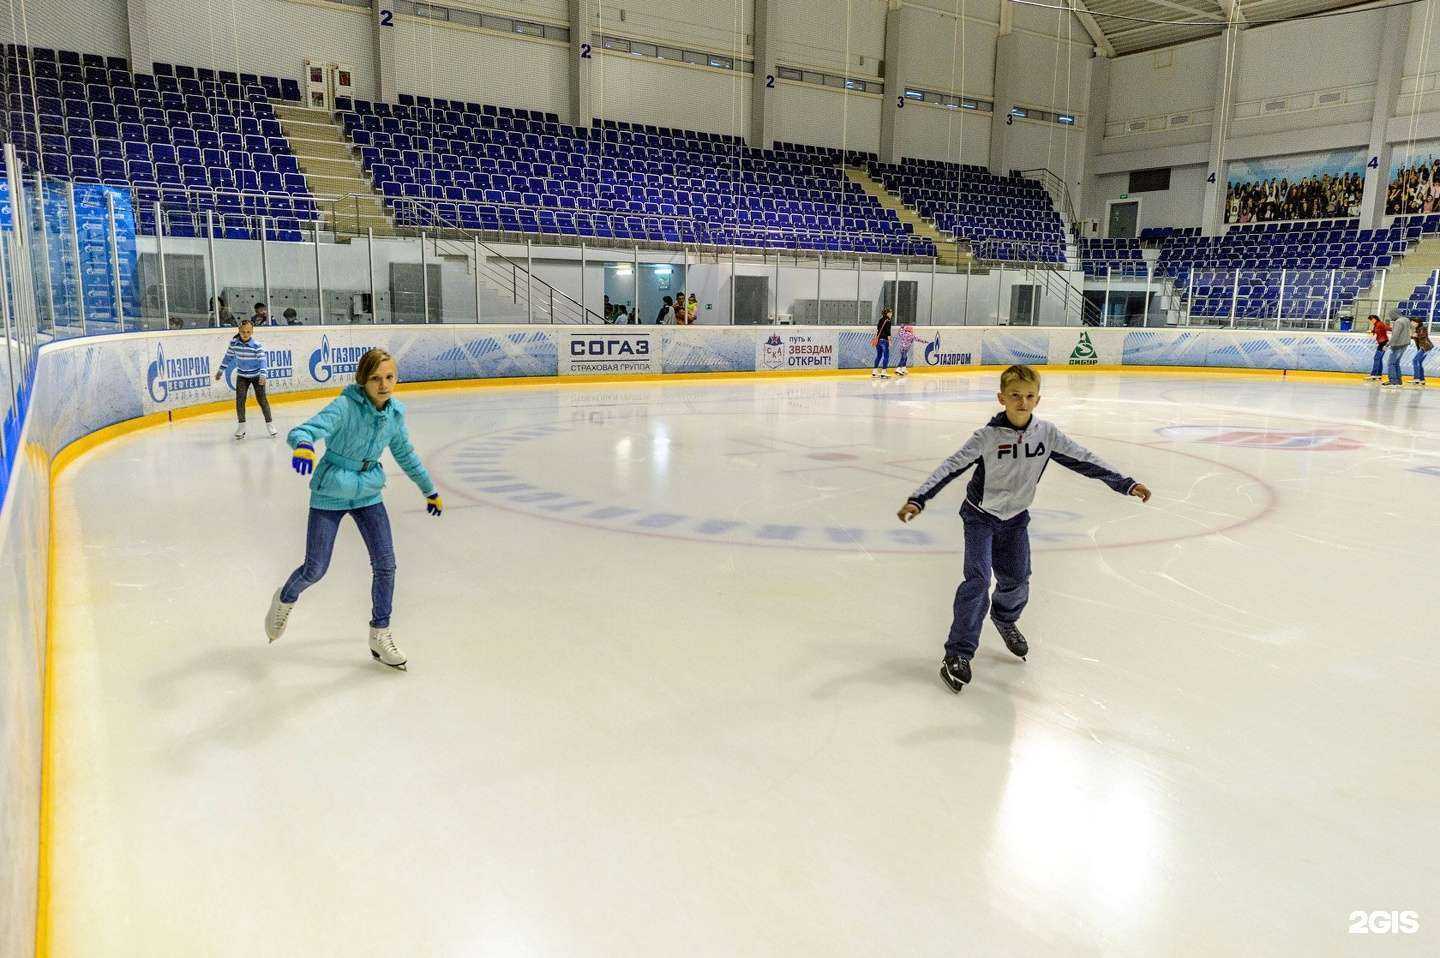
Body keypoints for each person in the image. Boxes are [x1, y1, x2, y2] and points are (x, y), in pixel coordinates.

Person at [897, 364, 1152, 693]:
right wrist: (918, 499)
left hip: (1016, 519)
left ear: (1038, 400)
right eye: (1015, 395)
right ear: (1001, 397)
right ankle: (957, 654)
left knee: (1017, 581)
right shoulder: (986, 437)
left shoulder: (1046, 435)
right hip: (980, 517)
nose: (1022, 401)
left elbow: (1085, 459)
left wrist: (1126, 483)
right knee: (977, 581)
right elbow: (951, 466)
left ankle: (1004, 618)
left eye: (1029, 396)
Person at [264, 348, 442, 670]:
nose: (384, 385)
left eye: (389, 377)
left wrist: (429, 489)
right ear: (363, 380)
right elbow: (303, 431)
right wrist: (303, 446)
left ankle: (380, 633)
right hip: (331, 491)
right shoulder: (345, 406)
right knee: (315, 569)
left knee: (386, 564)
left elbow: (406, 455)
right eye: (376, 378)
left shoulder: (394, 416)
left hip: (368, 492)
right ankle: (285, 599)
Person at [213, 318, 276, 439]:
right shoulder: (234, 344)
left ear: (252, 332)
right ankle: (241, 426)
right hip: (242, 376)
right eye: (243, 332)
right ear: (239, 331)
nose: (245, 334)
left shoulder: (256, 345)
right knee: (240, 400)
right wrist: (220, 371)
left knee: (262, 400)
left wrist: (263, 374)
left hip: (257, 376)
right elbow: (228, 357)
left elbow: (262, 360)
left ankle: (270, 424)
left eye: (248, 332)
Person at [1385, 308, 1413, 387]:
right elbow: (1412, 328)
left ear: (1394, 314)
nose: (1390, 317)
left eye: (1391, 315)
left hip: (1398, 345)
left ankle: (1393, 381)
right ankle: (1398, 381)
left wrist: (1387, 344)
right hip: (1405, 344)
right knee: (1396, 363)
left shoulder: (1398, 322)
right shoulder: (1406, 319)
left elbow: (1395, 335)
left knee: (1391, 363)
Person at [872, 306, 894, 378]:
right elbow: (888, 332)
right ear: (887, 313)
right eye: (890, 313)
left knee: (879, 355)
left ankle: (874, 371)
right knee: (886, 356)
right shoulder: (888, 320)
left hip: (878, 340)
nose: (891, 314)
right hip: (884, 340)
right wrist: (890, 341)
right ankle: (884, 371)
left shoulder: (880, 320)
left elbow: (878, 330)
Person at [1367, 313, 1390, 381]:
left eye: (1371, 320)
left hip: (1384, 343)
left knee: (1377, 358)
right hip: (1383, 342)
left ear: (1374, 319)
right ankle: (1378, 374)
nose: (1370, 322)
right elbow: (1376, 330)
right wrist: (1371, 331)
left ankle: (1374, 374)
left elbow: (1387, 328)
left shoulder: (1380, 324)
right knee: (1379, 358)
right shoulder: (1376, 324)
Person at [1412, 316, 1432, 387]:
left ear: (1418, 323)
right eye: (1412, 322)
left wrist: (1416, 335)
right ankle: (1422, 379)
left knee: (1415, 360)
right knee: (1419, 362)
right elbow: (1413, 336)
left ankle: (1416, 378)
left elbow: (1423, 335)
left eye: (1414, 322)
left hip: (1425, 347)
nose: (1412, 323)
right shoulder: (1417, 329)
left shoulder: (1422, 328)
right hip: (1424, 347)